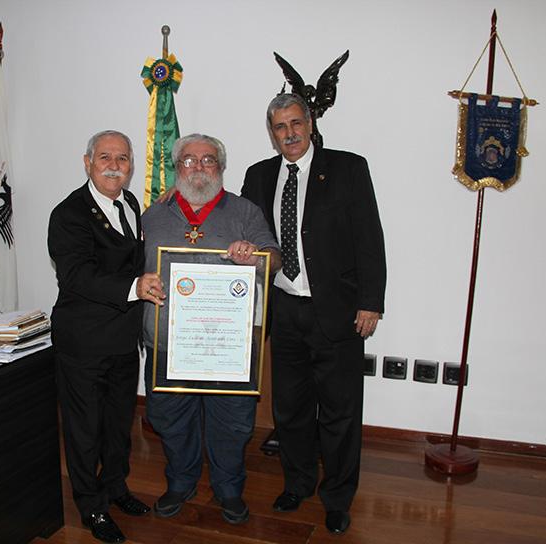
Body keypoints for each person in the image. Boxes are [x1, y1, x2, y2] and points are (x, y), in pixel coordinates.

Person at [241, 93, 386, 534]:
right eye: (279, 127)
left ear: (309, 123)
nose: (289, 134)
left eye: (295, 123)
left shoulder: (348, 168)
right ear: (272, 133)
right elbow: (243, 230)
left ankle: (338, 497)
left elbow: (369, 238)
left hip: (338, 312)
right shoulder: (259, 176)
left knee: (340, 412)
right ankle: (298, 483)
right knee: (291, 410)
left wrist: (371, 302)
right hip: (283, 311)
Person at [141, 133, 281, 525]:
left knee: (232, 421)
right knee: (170, 417)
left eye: (207, 160)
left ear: (220, 166)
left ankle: (229, 488)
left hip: (227, 346)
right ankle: (180, 482)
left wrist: (255, 257)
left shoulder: (245, 212)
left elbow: (276, 260)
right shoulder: (152, 215)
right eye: (188, 160)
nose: (198, 167)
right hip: (168, 341)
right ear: (176, 168)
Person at [48, 130, 163, 544]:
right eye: (104, 157)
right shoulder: (69, 214)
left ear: (131, 165)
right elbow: (77, 275)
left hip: (121, 339)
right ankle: (91, 505)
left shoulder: (130, 203)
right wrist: (135, 287)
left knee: (117, 424)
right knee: (84, 430)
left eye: (123, 158)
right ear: (87, 162)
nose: (114, 165)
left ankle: (116, 487)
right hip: (83, 341)